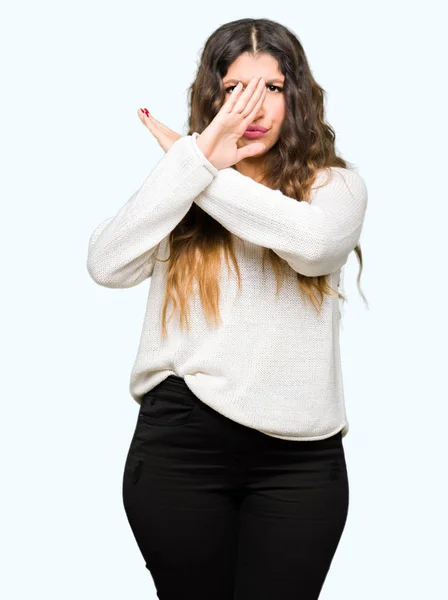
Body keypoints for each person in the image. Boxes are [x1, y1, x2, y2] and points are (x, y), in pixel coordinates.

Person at [86, 17, 368, 600]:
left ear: (296, 97)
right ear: (213, 97)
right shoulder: (181, 187)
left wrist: (197, 166)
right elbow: (107, 264)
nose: (254, 107)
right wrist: (188, 166)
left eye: (272, 87)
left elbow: (314, 248)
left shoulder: (333, 187)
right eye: (237, 88)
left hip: (300, 461)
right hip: (182, 446)